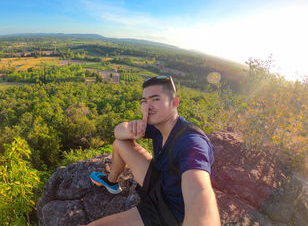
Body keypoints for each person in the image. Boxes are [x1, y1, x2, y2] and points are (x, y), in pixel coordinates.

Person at [87, 75, 221, 226]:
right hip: (160, 182)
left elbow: (199, 192)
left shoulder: (191, 142)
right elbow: (118, 131)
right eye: (144, 101)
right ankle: (111, 183)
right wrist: (130, 130)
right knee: (120, 143)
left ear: (174, 102)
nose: (147, 106)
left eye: (155, 99)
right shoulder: (158, 125)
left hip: (169, 212)